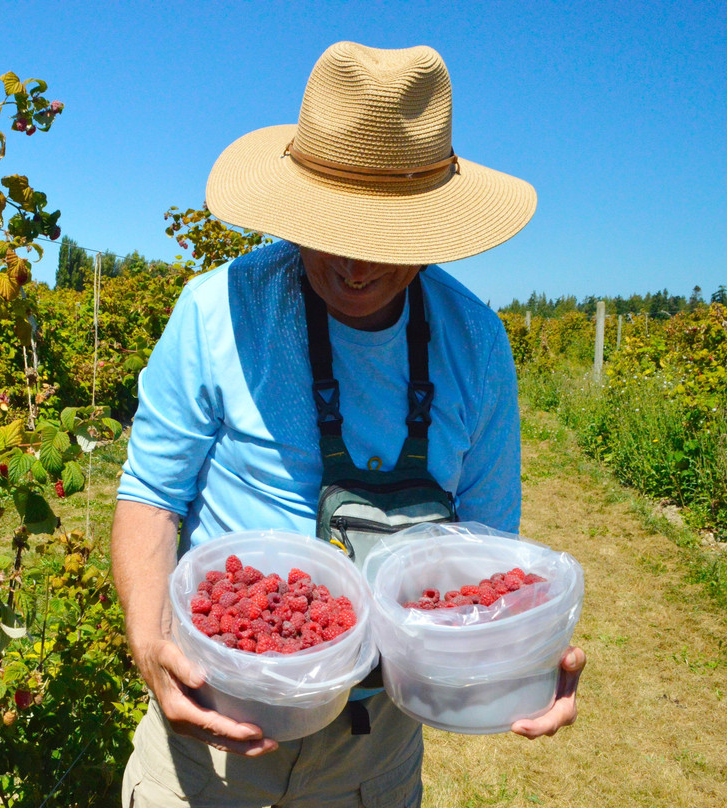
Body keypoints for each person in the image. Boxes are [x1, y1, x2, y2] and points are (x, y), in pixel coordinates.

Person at [111, 41, 587, 808]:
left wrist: (521, 660)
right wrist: (150, 644)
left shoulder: (475, 344)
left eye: (387, 237)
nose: (356, 264)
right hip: (211, 741)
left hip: (374, 756)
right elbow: (151, 496)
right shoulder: (216, 311)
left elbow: (489, 560)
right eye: (332, 228)